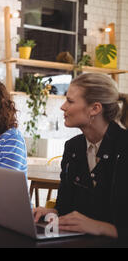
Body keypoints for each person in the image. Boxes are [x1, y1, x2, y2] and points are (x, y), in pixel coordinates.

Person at [33, 73, 128, 242]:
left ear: (95, 109)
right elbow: (65, 206)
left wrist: (100, 227)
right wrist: (52, 212)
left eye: (70, 101)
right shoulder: (73, 147)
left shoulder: (124, 147)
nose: (63, 107)